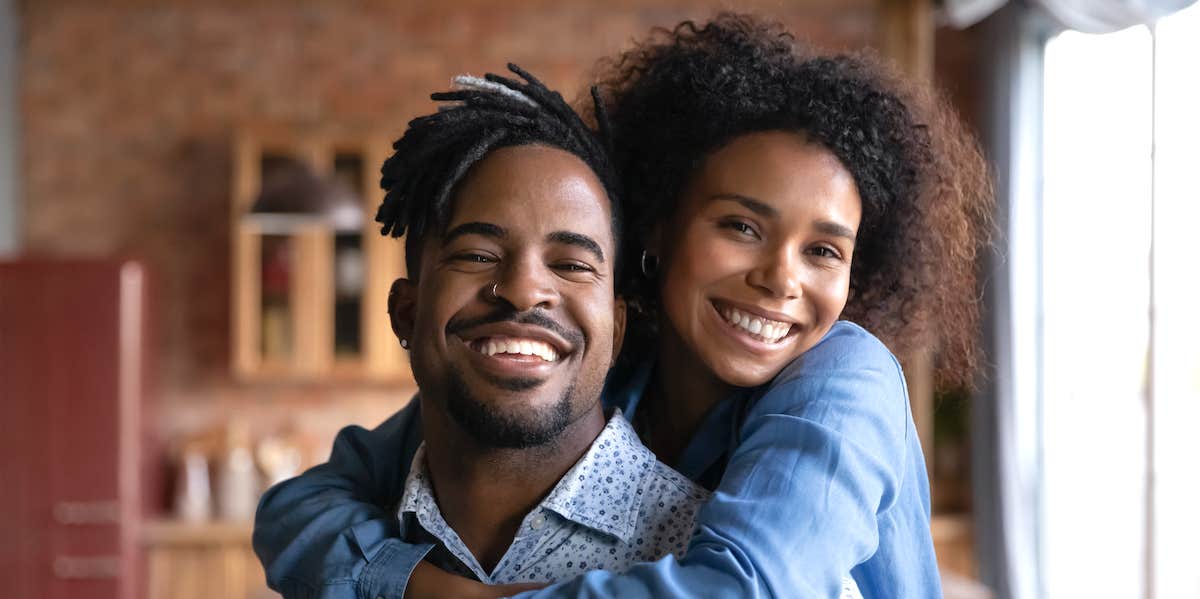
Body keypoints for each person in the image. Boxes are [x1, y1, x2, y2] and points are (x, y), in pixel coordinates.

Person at [254, 14, 992, 599]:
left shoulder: (843, 376)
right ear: (658, 227)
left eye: (823, 250)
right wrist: (406, 579)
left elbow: (745, 589)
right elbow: (307, 502)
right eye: (741, 226)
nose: (781, 278)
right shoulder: (601, 363)